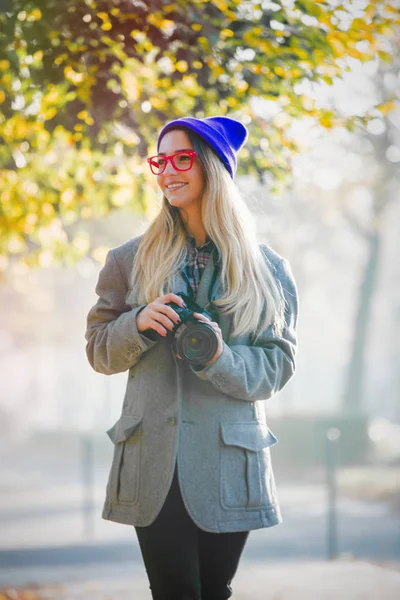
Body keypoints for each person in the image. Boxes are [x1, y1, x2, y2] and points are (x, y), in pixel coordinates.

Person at [85, 116, 299, 600]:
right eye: (161, 161)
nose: (168, 172)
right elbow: (98, 351)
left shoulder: (267, 270)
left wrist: (220, 357)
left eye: (183, 158)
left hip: (229, 460)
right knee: (174, 590)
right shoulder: (129, 259)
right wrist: (136, 323)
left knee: (215, 591)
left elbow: (277, 367)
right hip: (153, 459)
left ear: (212, 169)